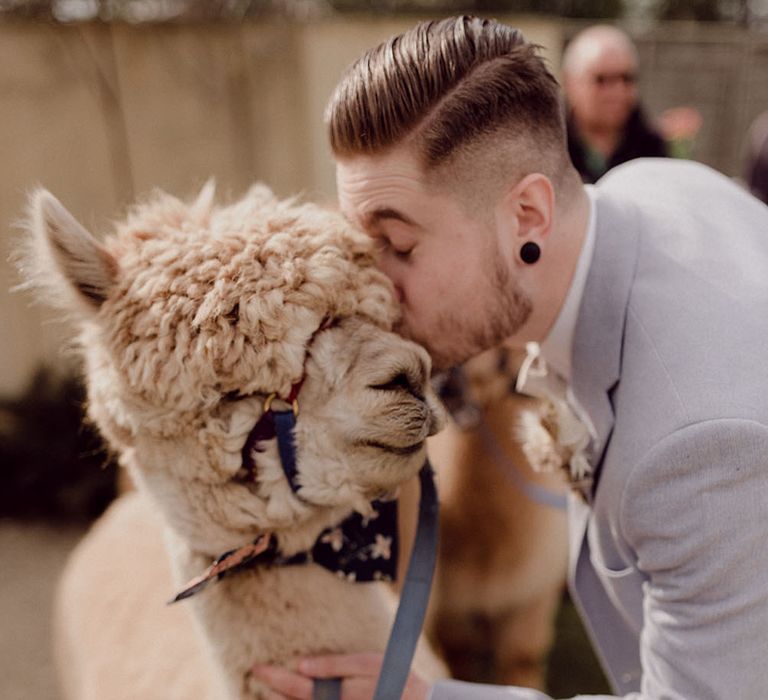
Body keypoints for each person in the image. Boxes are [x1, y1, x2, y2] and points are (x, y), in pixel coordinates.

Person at [251, 15, 768, 699]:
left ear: (527, 215)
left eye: (399, 247)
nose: (375, 292)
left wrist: (429, 699)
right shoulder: (653, 188)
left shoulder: (695, 450)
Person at [562, 25, 668, 183]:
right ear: (570, 83)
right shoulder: (550, 148)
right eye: (602, 80)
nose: (618, 92)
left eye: (627, 78)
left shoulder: (654, 151)